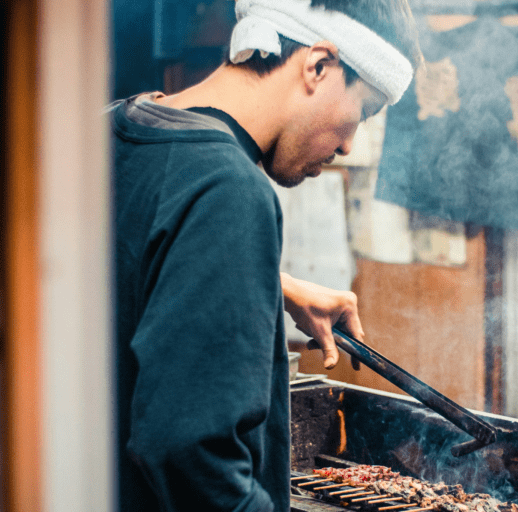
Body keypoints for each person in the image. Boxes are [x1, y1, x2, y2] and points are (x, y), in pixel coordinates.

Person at [110, 1, 422, 511]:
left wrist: (268, 282)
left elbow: (127, 259)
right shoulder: (228, 189)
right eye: (363, 112)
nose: (348, 146)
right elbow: (191, 457)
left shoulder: (117, 127)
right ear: (318, 66)